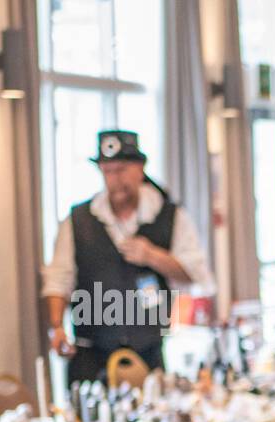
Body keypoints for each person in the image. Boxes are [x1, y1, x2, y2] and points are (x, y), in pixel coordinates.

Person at [42, 131, 214, 385]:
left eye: (122, 169)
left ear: (139, 169)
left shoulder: (169, 215)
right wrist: (56, 326)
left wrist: (153, 256)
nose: (115, 179)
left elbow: (196, 274)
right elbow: (58, 278)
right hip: (91, 354)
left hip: (148, 349)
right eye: (108, 171)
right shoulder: (78, 220)